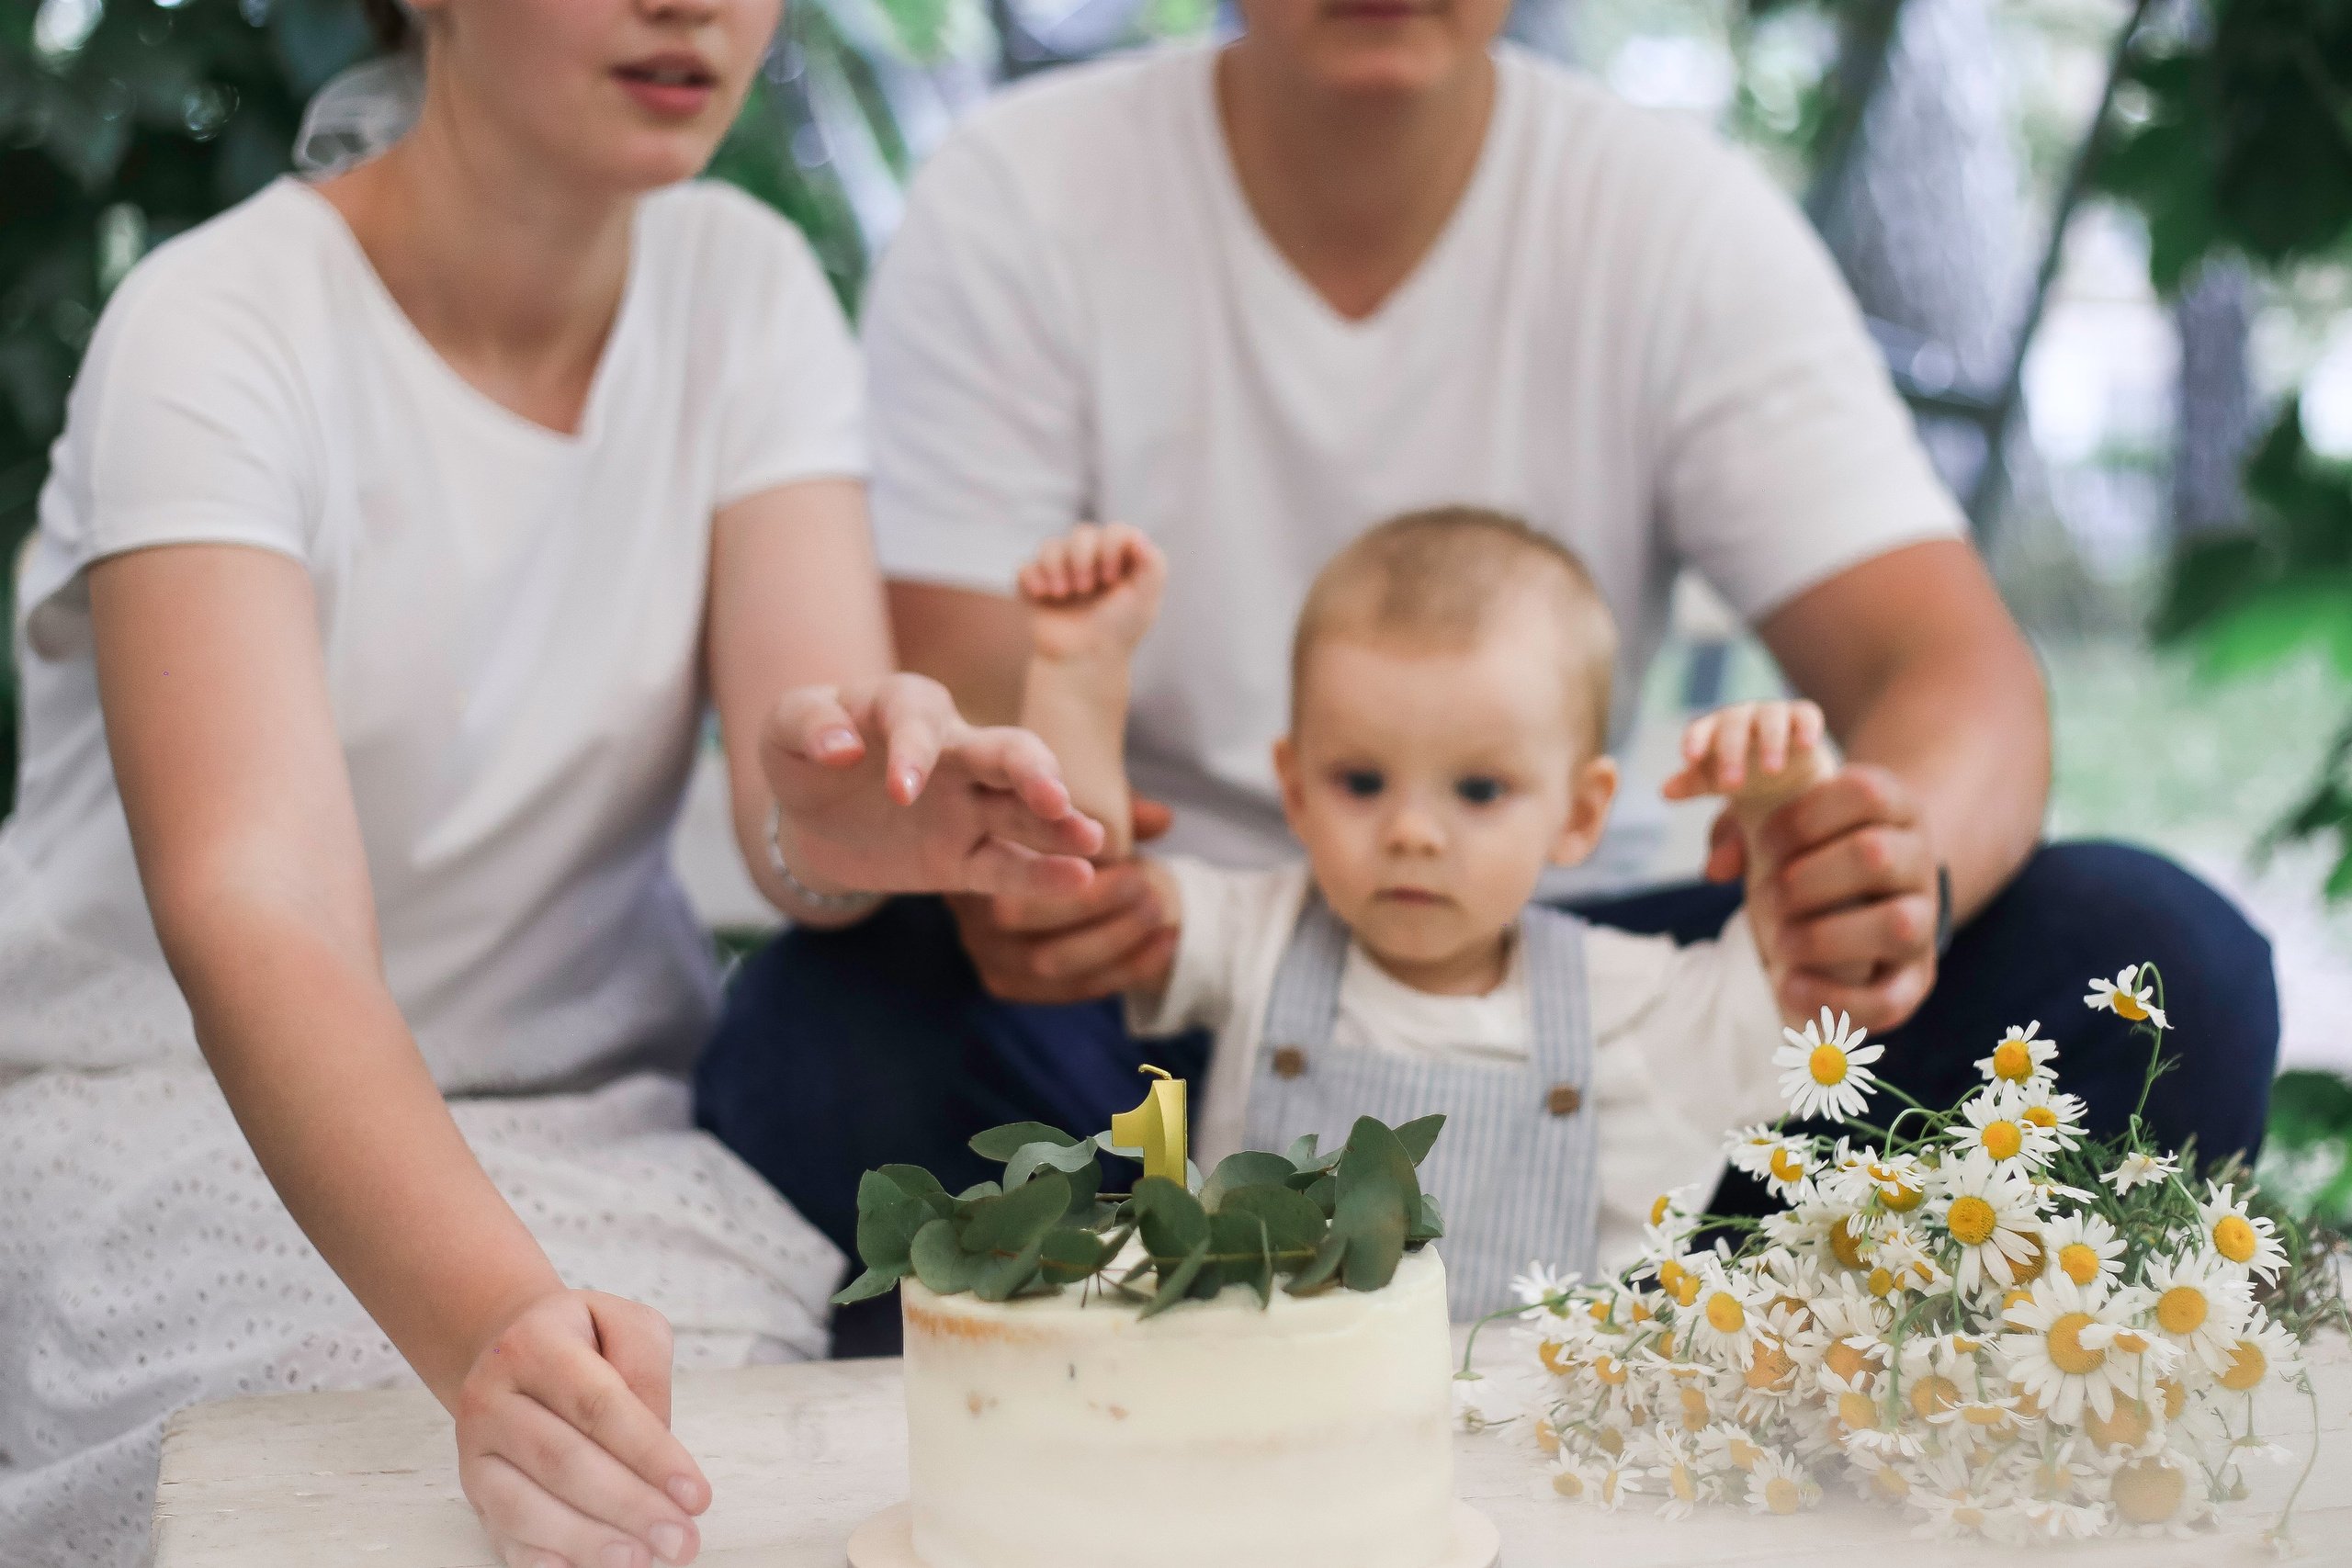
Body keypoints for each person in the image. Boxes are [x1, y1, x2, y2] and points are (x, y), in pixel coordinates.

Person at [695, 0, 2278, 1341]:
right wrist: (1022, 884)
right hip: (1168, 1014)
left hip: (1584, 1005)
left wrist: (1889, 866)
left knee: (2149, 960)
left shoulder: (1668, 215)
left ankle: (1586, 1331)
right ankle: (1420, 1321)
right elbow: (971, 752)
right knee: (833, 1032)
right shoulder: (1021, 198)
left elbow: (1950, 666)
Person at [0, 2, 1106, 1565]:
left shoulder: (747, 287)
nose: (693, 9)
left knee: (738, 1473)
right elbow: (262, 904)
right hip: (164, 1121)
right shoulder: (214, 324)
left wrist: (858, 826)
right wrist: (489, 1324)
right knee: (391, 1471)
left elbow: (802, 820)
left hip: (594, 1134)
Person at [1014, 512, 1860, 1318]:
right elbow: (1071, 901)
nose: (1411, 832)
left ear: (1579, 814)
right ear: (1296, 788)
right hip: (1262, 1416)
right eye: (1361, 781)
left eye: (1480, 789)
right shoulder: (1256, 936)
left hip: (1526, 1454)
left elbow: (1806, 978)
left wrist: (1785, 802)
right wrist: (1077, 676)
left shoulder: (1622, 1000)